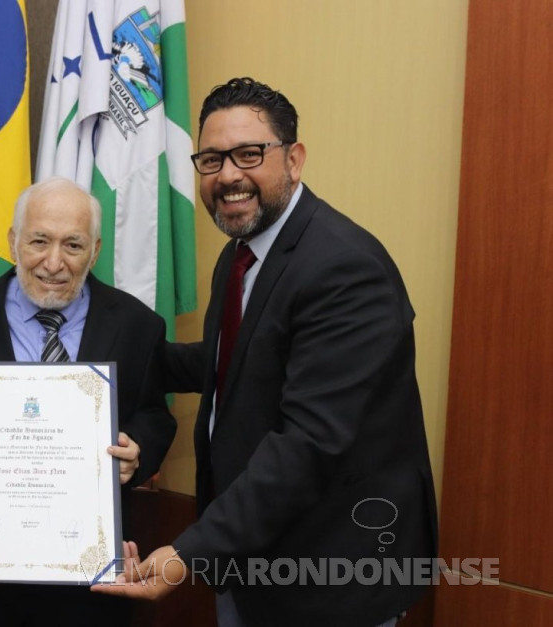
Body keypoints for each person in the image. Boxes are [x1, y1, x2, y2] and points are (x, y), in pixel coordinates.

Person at [94, 78, 438, 627]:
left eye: (249, 154)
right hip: (248, 558)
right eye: (212, 159)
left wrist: (189, 551)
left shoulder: (345, 268)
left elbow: (309, 443)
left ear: (294, 160)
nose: (228, 175)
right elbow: (239, 359)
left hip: (328, 577)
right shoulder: (243, 252)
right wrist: (91, 358)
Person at [0, 177, 177, 626]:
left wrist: (138, 450)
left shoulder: (138, 324)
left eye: (73, 245)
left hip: (88, 581)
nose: (54, 263)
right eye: (39, 241)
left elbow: (153, 413)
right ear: (13, 241)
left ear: (95, 251)